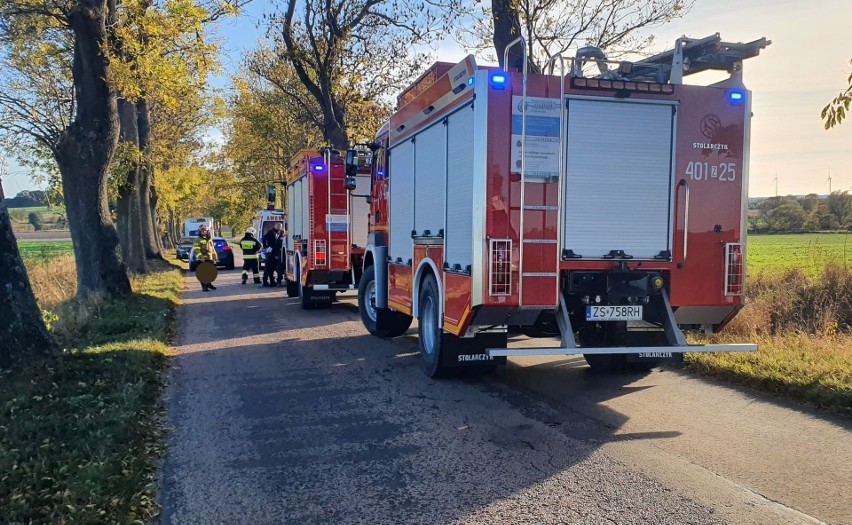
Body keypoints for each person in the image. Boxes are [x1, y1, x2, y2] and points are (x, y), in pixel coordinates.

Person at [192, 224, 218, 291]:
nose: (204, 232)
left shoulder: (209, 239)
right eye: (202, 230)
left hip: (209, 258)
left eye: (205, 230)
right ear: (200, 231)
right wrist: (201, 257)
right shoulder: (197, 239)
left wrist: (215, 256)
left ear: (207, 231)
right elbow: (196, 249)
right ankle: (204, 287)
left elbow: (212, 249)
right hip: (202, 259)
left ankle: (209, 284)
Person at [262, 222, 282, 287]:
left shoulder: (277, 232)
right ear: (276, 226)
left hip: (274, 251)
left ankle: (272, 281)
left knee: (272, 268)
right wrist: (265, 246)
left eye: (281, 227)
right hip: (271, 251)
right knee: (268, 267)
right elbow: (264, 238)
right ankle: (265, 282)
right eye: (279, 227)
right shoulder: (271, 232)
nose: (280, 228)